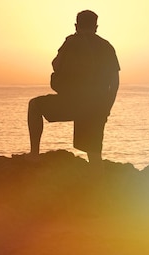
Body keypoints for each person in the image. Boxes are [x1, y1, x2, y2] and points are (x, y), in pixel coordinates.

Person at [27, 10, 120, 167]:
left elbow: (56, 64)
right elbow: (115, 83)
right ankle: (98, 180)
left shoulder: (71, 42)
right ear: (96, 27)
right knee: (94, 155)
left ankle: (34, 155)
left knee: (35, 105)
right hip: (96, 106)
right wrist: (106, 108)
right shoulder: (107, 47)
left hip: (71, 102)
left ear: (76, 25)